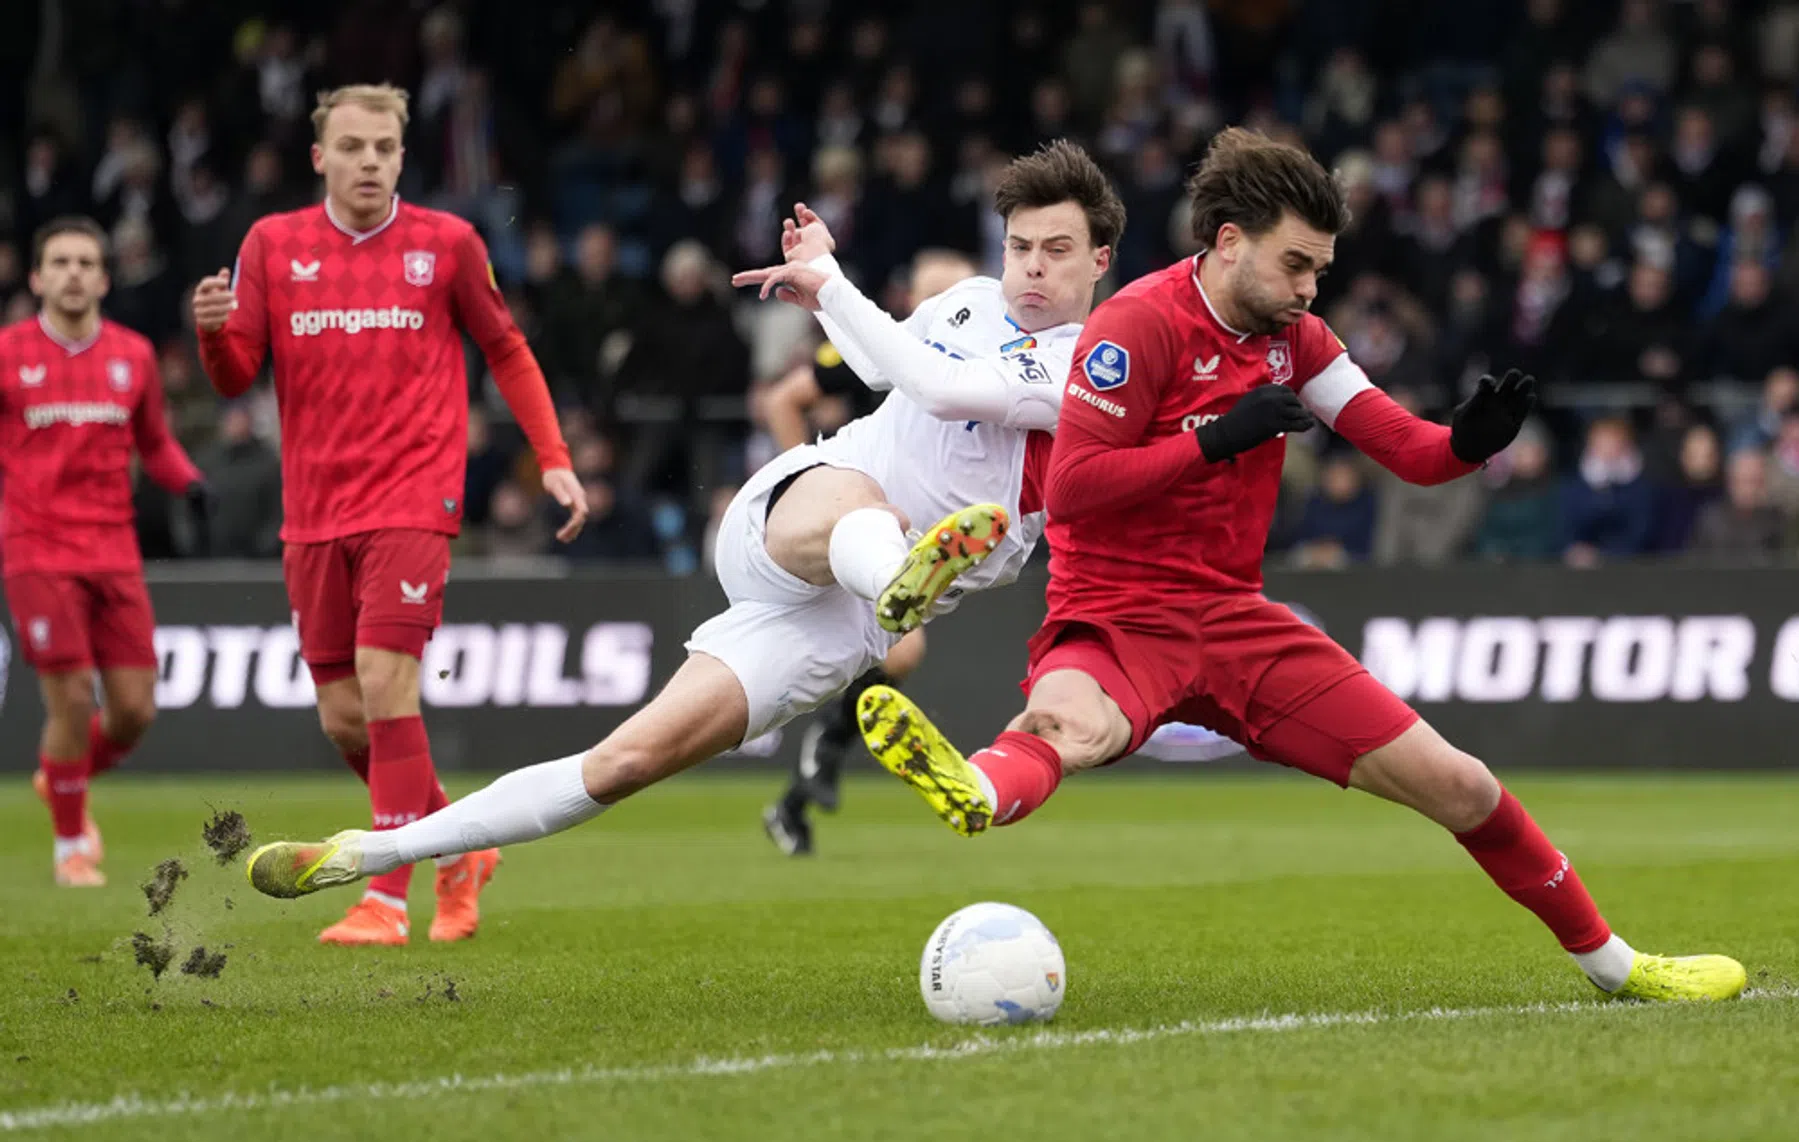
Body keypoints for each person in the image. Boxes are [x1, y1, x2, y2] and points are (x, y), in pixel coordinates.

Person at [855, 128, 1744, 1004]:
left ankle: (1619, 968)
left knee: (1461, 783)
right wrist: (1213, 440)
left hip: (1237, 621)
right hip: (1120, 615)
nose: (1309, 287)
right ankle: (973, 787)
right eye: (1295, 265)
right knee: (1064, 727)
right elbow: (1077, 488)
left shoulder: (1297, 339)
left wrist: (1469, 444)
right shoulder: (1133, 328)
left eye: (1319, 269)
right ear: (1229, 243)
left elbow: (1408, 449)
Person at [240, 142, 1121, 904]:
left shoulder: (1093, 363)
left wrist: (830, 284)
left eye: (1056, 250)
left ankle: (366, 852)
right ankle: (896, 576)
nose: (1032, 266)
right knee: (869, 505)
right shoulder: (967, 299)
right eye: (1019, 247)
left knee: (619, 766)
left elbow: (936, 386)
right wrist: (825, 290)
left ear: (1100, 262)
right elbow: (881, 364)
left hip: (839, 618)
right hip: (806, 503)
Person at [192, 84, 588, 947]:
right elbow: (234, 376)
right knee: (343, 717)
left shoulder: (445, 245)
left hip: (413, 497)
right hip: (313, 512)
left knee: (384, 681)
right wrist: (214, 334)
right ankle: (461, 851)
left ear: (404, 156)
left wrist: (552, 459)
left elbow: (506, 350)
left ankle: (383, 898)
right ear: (319, 157)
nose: (369, 160)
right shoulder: (273, 244)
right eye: (352, 146)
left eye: (384, 147)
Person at [0, 215, 211, 886]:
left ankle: (58, 777)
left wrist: (190, 484)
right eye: (59, 262)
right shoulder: (7, 353)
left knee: (134, 709)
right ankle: (72, 851)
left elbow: (154, 442)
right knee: (69, 698)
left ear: (104, 277)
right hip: (36, 549)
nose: (72, 273)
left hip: (113, 549)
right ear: (36, 277)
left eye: (85, 263)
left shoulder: (134, 354)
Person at [758, 248, 975, 856]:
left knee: (893, 653)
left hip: (907, 529)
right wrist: (802, 479)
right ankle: (815, 761)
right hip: (848, 517)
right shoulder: (873, 354)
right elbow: (780, 401)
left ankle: (799, 792)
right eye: (946, 300)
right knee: (901, 648)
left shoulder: (970, 370)